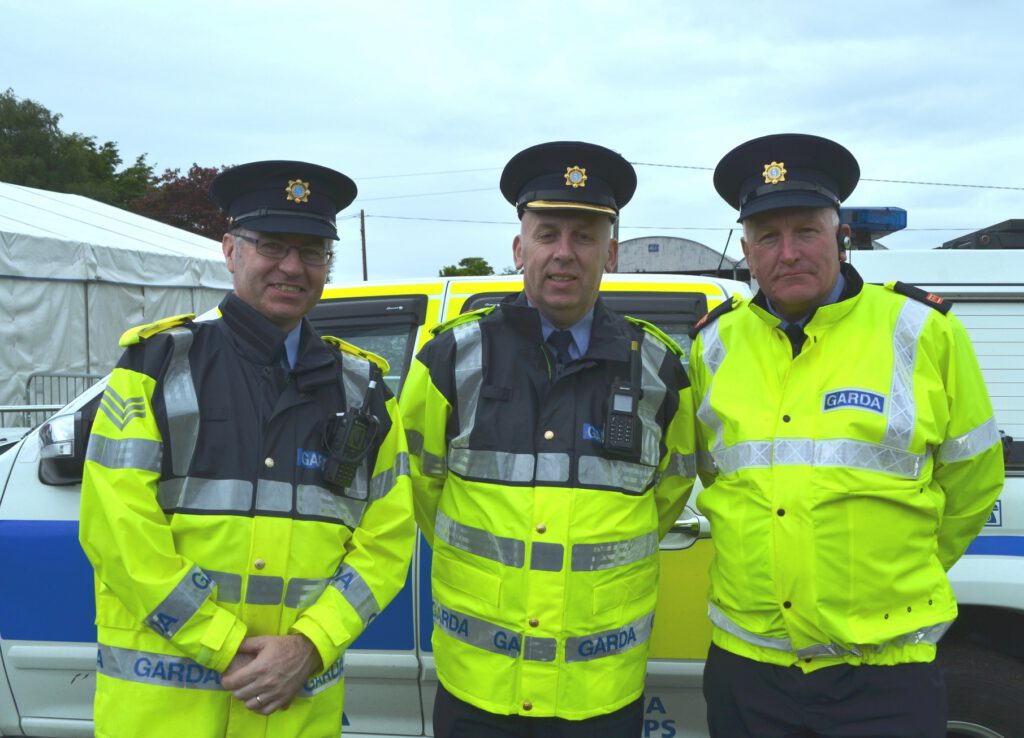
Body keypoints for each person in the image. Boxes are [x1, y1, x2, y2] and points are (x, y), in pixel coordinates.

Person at [79, 160, 415, 738]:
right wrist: (226, 646)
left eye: (312, 251)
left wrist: (311, 645)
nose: (292, 266)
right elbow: (117, 531)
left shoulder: (365, 391)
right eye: (272, 246)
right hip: (165, 720)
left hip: (294, 717)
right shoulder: (154, 367)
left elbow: (387, 541)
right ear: (231, 249)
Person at [688, 133, 1005, 737]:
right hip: (749, 669)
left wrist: (888, 571)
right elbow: (714, 472)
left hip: (885, 669)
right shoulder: (714, 345)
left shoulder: (923, 332)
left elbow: (974, 480)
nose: (788, 253)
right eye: (768, 237)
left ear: (842, 237)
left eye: (806, 231)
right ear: (747, 253)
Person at [400, 141, 696, 738]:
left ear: (609, 252)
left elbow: (666, 496)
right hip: (479, 683)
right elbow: (423, 490)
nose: (565, 254)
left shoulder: (660, 371)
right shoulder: (450, 360)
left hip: (600, 691)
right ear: (519, 248)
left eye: (584, 236)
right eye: (548, 234)